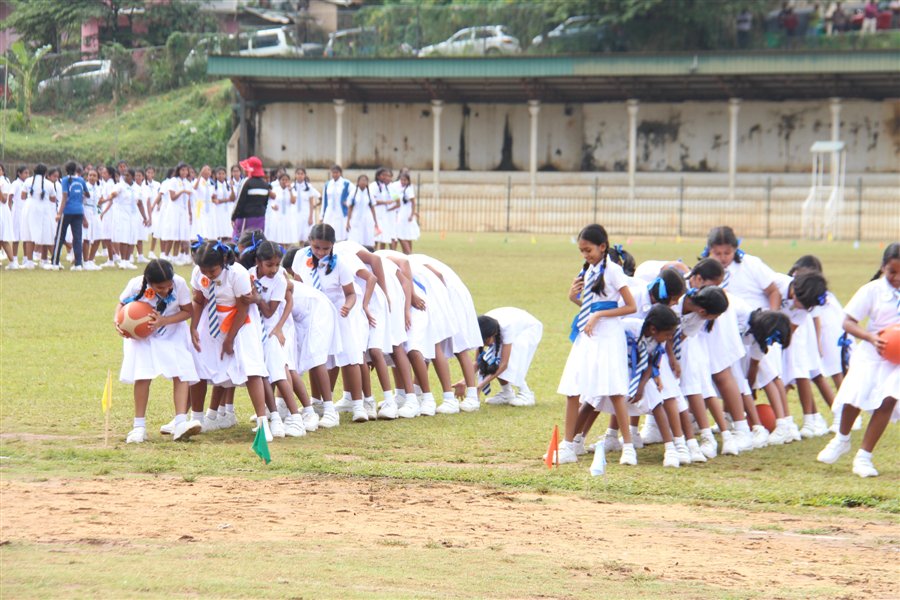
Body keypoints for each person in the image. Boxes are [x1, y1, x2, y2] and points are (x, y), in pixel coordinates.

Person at [554, 224, 637, 465]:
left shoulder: (613, 272)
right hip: (587, 336)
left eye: (588, 250)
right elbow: (589, 307)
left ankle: (628, 447)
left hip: (609, 336)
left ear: (602, 247)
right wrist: (573, 298)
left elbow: (630, 307)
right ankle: (569, 445)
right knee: (573, 389)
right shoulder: (588, 271)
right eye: (581, 251)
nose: (585, 255)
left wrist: (599, 315)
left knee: (615, 391)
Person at [818, 243, 899, 477]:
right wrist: (870, 337)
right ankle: (841, 439)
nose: (897, 277)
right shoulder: (872, 290)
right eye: (892, 272)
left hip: (897, 361)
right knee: (855, 395)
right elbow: (848, 322)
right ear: (883, 267)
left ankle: (864, 456)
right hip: (872, 353)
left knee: (888, 399)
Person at [190, 240, 273, 441]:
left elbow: (243, 307)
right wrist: (193, 326)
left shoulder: (238, 274)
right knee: (197, 363)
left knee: (250, 367)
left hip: (239, 320)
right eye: (204, 271)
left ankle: (263, 424)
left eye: (212, 271)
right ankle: (197, 419)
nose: (208, 275)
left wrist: (229, 339)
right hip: (211, 318)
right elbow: (199, 300)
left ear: (224, 261)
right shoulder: (198, 272)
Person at [117, 259, 202, 443]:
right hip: (143, 337)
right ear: (148, 282)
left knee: (181, 373)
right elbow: (121, 305)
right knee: (142, 374)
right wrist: (119, 323)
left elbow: (188, 311)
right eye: (159, 287)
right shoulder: (135, 284)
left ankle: (180, 423)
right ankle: (138, 427)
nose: (165, 290)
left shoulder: (179, 284)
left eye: (167, 286)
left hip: (172, 331)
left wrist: (164, 320)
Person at [291, 224, 368, 424]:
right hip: (315, 313)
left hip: (339, 310)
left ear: (332, 246)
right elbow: (297, 282)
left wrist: (347, 307)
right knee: (318, 356)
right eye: (317, 247)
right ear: (310, 241)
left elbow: (350, 293)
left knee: (349, 356)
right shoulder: (300, 257)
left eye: (326, 249)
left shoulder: (340, 264)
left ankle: (358, 405)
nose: (321, 253)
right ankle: (318, 403)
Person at [472, 308, 543, 408]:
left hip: (529, 329)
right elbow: (478, 361)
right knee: (492, 357)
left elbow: (504, 364)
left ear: (493, 334)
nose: (484, 344)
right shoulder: (483, 326)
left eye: (485, 341)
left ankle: (527, 394)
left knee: (511, 358)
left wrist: (480, 386)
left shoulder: (506, 328)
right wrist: (464, 381)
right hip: (513, 325)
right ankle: (507, 393)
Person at [104, 168, 149, 269]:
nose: (125, 177)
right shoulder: (120, 185)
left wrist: (145, 217)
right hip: (122, 214)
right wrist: (109, 197)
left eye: (127, 175)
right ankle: (123, 260)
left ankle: (128, 260)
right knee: (124, 237)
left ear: (132, 177)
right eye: (124, 175)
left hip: (133, 215)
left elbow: (140, 203)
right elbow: (114, 194)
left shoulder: (137, 188)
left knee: (132, 237)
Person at [52, 161, 88, 271]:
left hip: (67, 211)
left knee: (60, 237)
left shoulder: (65, 180)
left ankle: (55, 263)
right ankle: (78, 264)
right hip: (79, 211)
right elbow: (87, 194)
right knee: (77, 238)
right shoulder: (81, 180)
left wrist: (59, 213)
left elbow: (64, 197)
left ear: (66, 169)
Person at [231, 156, 272, 243]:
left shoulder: (246, 182)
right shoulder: (265, 185)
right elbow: (265, 203)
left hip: (245, 218)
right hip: (260, 217)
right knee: (257, 241)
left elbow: (239, 202)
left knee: (241, 241)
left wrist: (233, 217)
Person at [346, 174, 379, 249]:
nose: (363, 182)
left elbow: (372, 208)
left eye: (365, 180)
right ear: (358, 182)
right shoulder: (353, 193)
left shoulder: (369, 193)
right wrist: (348, 222)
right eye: (362, 180)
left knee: (367, 238)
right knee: (355, 238)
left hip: (367, 219)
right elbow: (350, 208)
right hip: (355, 218)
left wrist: (376, 222)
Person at [321, 164, 350, 242]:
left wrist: (347, 202)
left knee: (341, 232)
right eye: (333, 173)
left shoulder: (346, 183)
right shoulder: (328, 184)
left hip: (341, 211)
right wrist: (322, 215)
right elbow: (324, 200)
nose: (335, 174)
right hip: (330, 210)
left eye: (336, 172)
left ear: (340, 173)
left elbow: (353, 195)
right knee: (328, 230)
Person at [393, 172, 419, 254]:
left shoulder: (408, 189)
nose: (403, 182)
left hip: (406, 215)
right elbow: (396, 200)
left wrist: (412, 214)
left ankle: (409, 254)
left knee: (401, 235)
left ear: (408, 181)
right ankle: (407, 254)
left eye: (405, 180)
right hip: (401, 213)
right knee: (406, 235)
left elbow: (413, 203)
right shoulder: (399, 188)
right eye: (401, 180)